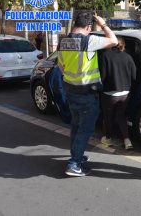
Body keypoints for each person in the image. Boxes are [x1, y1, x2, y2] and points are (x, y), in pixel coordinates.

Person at [57, 11, 118, 177]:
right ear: (89, 27)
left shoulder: (63, 41)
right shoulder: (89, 40)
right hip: (86, 92)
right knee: (85, 129)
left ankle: (77, 157)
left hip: (70, 89)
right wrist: (103, 24)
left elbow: (61, 66)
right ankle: (74, 164)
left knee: (76, 126)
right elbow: (114, 41)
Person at [99, 36, 136, 150]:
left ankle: (107, 139)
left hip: (109, 94)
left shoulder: (105, 56)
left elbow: (102, 76)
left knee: (108, 116)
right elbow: (134, 76)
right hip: (125, 93)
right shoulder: (128, 57)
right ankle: (127, 140)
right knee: (121, 115)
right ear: (123, 45)